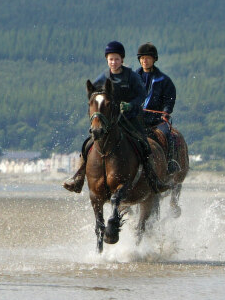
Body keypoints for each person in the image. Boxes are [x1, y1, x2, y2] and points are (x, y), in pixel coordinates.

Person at [63, 41, 169, 193]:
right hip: (110, 122)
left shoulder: (131, 76)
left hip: (131, 119)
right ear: (107, 60)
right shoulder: (102, 77)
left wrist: (130, 105)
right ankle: (78, 178)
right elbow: (94, 94)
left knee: (144, 146)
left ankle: (154, 179)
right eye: (111, 59)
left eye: (117, 59)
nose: (114, 62)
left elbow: (142, 95)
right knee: (87, 145)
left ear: (122, 60)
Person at [132, 43, 177, 150]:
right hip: (136, 119)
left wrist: (166, 112)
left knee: (167, 136)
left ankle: (171, 164)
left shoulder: (164, 80)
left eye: (147, 58)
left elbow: (169, 100)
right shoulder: (132, 79)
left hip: (157, 120)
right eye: (142, 58)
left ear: (154, 59)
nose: (144, 61)